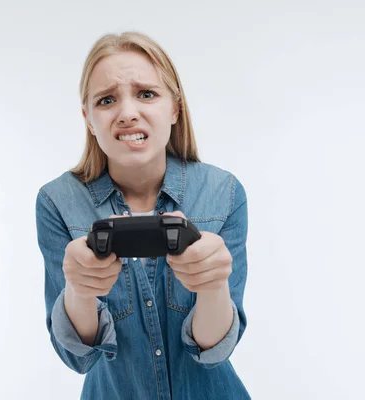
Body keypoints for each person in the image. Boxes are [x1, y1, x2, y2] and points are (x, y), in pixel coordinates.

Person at [35, 31, 250, 399]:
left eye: (146, 94)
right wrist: (78, 290)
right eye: (106, 100)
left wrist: (213, 286)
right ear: (88, 118)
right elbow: (78, 358)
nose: (128, 113)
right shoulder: (57, 201)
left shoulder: (223, 192)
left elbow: (214, 352)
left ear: (175, 107)